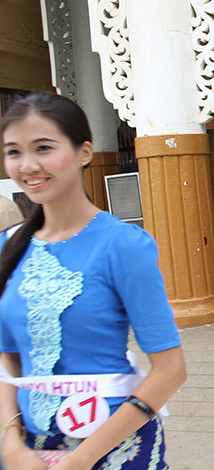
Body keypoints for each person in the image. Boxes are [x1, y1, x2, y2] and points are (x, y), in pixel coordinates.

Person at [0, 93, 186, 469]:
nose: (28, 165)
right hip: (28, 448)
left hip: (115, 446)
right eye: (14, 152)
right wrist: (11, 441)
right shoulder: (8, 246)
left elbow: (171, 370)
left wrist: (82, 459)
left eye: (43, 148)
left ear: (84, 152)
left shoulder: (123, 244)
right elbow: (8, 357)